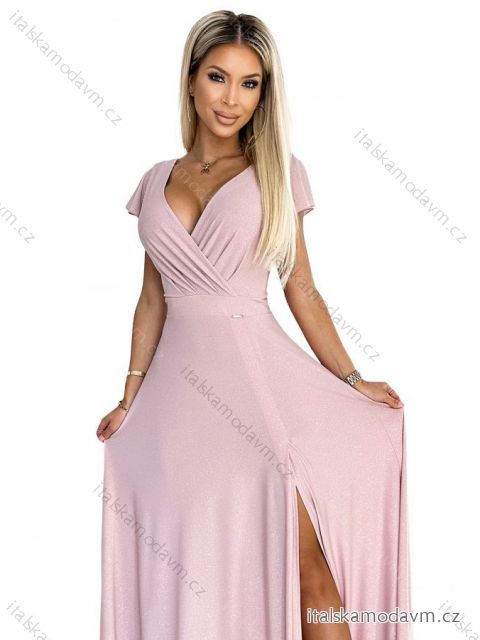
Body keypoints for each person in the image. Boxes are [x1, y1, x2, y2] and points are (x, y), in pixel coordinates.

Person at [97, 10, 411, 640]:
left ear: (264, 93)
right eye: (218, 77)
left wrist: (353, 380)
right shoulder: (155, 180)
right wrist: (130, 398)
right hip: (178, 404)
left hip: (257, 384)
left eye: (250, 83)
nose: (232, 99)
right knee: (207, 563)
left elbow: (302, 289)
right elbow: (152, 299)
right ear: (191, 80)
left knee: (306, 559)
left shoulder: (277, 171)